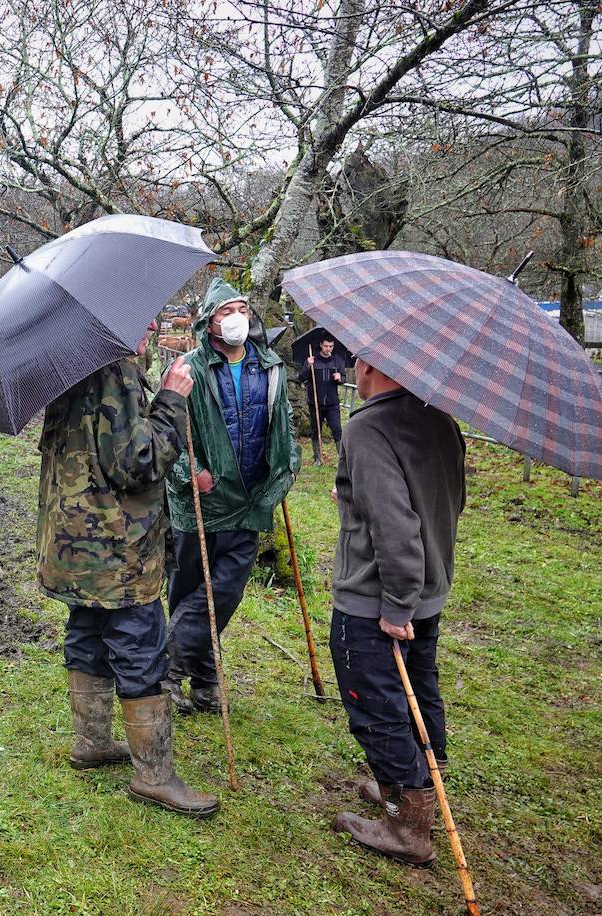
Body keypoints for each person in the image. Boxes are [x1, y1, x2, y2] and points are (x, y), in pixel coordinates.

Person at [38, 323, 220, 818]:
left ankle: (91, 742)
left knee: (88, 631)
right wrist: (171, 400)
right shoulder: (114, 373)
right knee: (140, 644)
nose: (154, 327)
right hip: (116, 548)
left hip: (75, 543)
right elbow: (136, 464)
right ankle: (154, 776)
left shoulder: (71, 370)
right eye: (145, 320)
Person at [329, 359, 466, 868]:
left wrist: (395, 605)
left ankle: (409, 825)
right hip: (430, 588)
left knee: (377, 700)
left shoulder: (367, 427)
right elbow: (447, 499)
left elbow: (394, 522)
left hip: (378, 599)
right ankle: (413, 785)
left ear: (368, 367)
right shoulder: (441, 419)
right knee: (419, 685)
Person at [163, 279, 300, 715]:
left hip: (249, 500)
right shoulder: (189, 368)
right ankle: (203, 679)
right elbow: (165, 430)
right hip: (198, 501)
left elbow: (285, 428)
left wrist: (285, 469)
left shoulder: (270, 367)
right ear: (209, 319)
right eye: (226, 311)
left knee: (223, 592)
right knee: (188, 590)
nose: (236, 317)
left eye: (242, 308)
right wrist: (192, 472)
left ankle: (163, 669)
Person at [300, 335, 347, 464]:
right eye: (326, 346)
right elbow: (301, 377)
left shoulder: (337, 360)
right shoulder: (312, 360)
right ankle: (317, 458)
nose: (328, 349)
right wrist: (308, 367)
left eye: (331, 346)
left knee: (337, 430)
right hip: (315, 403)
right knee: (316, 430)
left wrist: (340, 378)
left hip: (332, 403)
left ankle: (343, 460)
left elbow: (344, 379)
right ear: (321, 345)